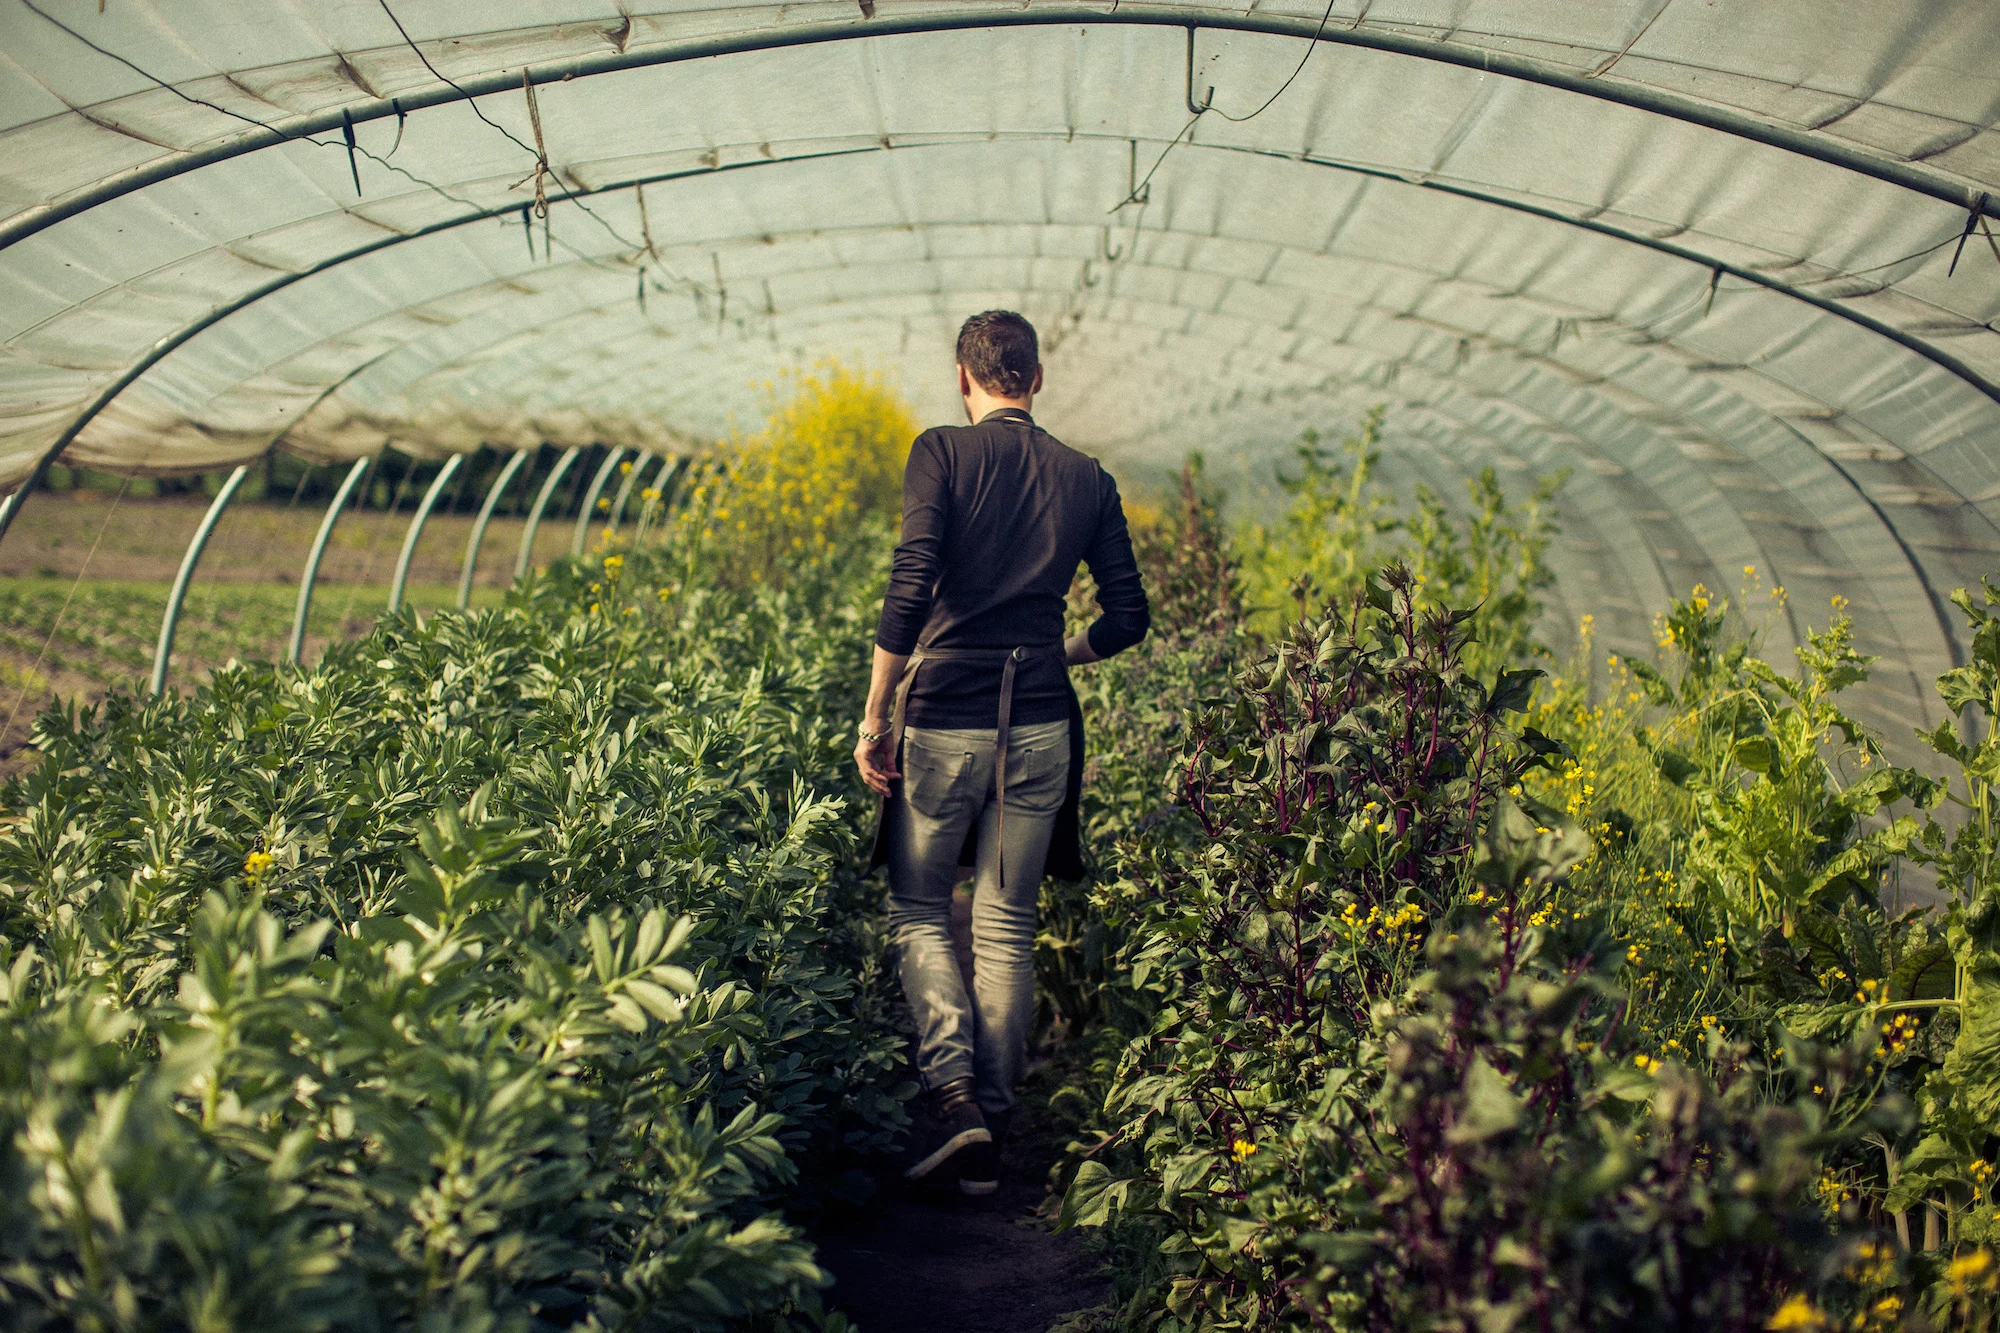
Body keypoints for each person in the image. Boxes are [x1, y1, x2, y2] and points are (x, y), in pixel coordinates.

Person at [854, 310, 1151, 1197]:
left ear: (963, 377)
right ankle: (993, 1115)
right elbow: (1129, 618)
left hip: (944, 716)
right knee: (1006, 925)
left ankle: (953, 1099)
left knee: (918, 907)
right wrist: (1060, 654)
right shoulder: (1087, 477)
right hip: (1041, 723)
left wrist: (875, 713)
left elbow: (912, 582)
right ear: (1037, 379)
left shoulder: (940, 453)